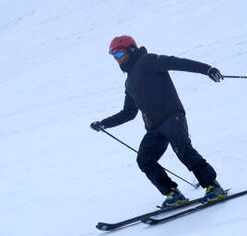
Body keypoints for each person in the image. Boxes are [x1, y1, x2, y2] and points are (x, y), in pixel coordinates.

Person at [90, 35, 227, 207]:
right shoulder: (129, 83)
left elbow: (176, 63)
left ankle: (213, 186)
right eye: (114, 57)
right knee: (144, 159)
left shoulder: (147, 61)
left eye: (119, 55)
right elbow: (128, 113)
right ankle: (173, 193)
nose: (117, 60)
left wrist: (207, 69)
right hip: (154, 128)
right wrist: (104, 123)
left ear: (131, 50)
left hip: (172, 116)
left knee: (183, 150)